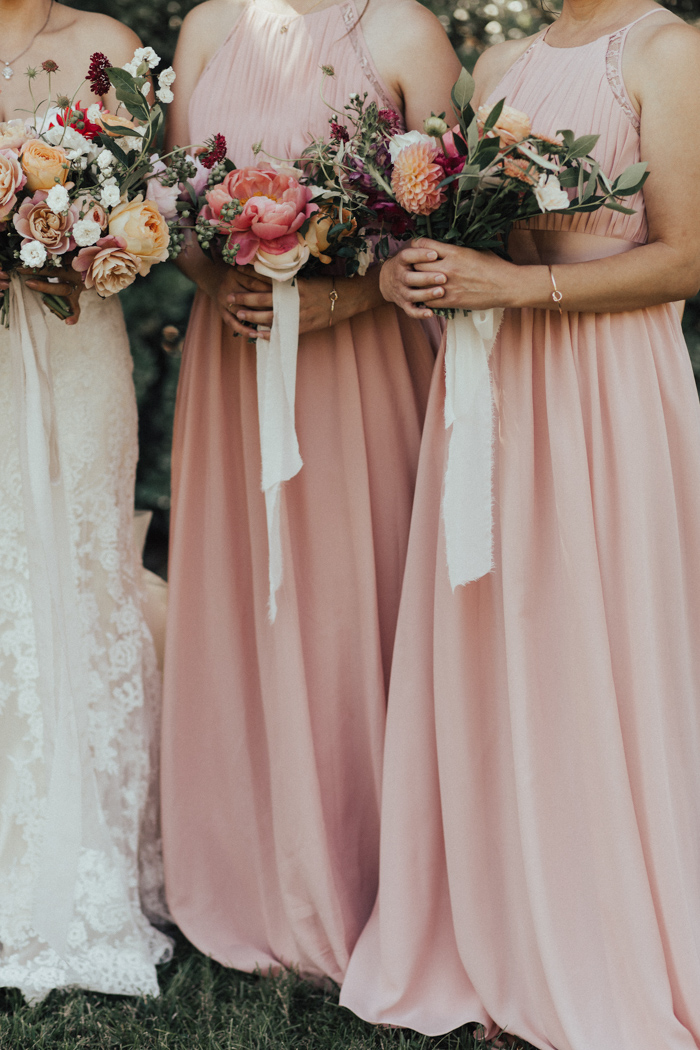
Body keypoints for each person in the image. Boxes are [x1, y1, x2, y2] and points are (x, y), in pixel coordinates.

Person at [340, 3, 700, 1048]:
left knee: (601, 649)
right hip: (492, 387)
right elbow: (467, 236)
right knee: (508, 648)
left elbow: (685, 258)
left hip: (605, 397)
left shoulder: (667, 52)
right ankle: (500, 916)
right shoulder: (501, 58)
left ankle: (604, 934)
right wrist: (409, 271)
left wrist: (522, 284)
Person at [161, 0, 460, 984]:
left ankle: (384, 880)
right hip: (237, 355)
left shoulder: (405, 32)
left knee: (356, 604)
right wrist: (215, 277)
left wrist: (350, 290)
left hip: (361, 355)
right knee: (250, 603)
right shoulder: (209, 26)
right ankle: (257, 870)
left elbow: (450, 224)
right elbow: (179, 210)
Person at [0, 0, 171, 1001]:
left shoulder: (104, 45)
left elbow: (151, 219)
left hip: (77, 340)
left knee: (83, 567)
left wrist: (74, 230)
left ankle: (89, 856)